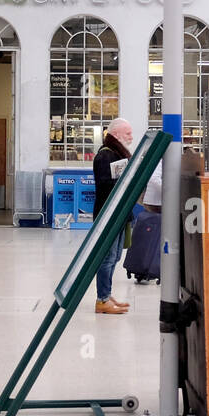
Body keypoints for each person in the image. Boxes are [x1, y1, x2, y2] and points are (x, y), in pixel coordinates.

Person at [93, 118, 133, 315]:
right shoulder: (105, 156)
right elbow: (104, 183)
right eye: (128, 134)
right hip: (108, 215)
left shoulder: (117, 154)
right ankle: (102, 299)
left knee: (115, 256)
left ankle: (106, 295)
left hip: (118, 214)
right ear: (116, 135)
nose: (131, 138)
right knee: (107, 258)